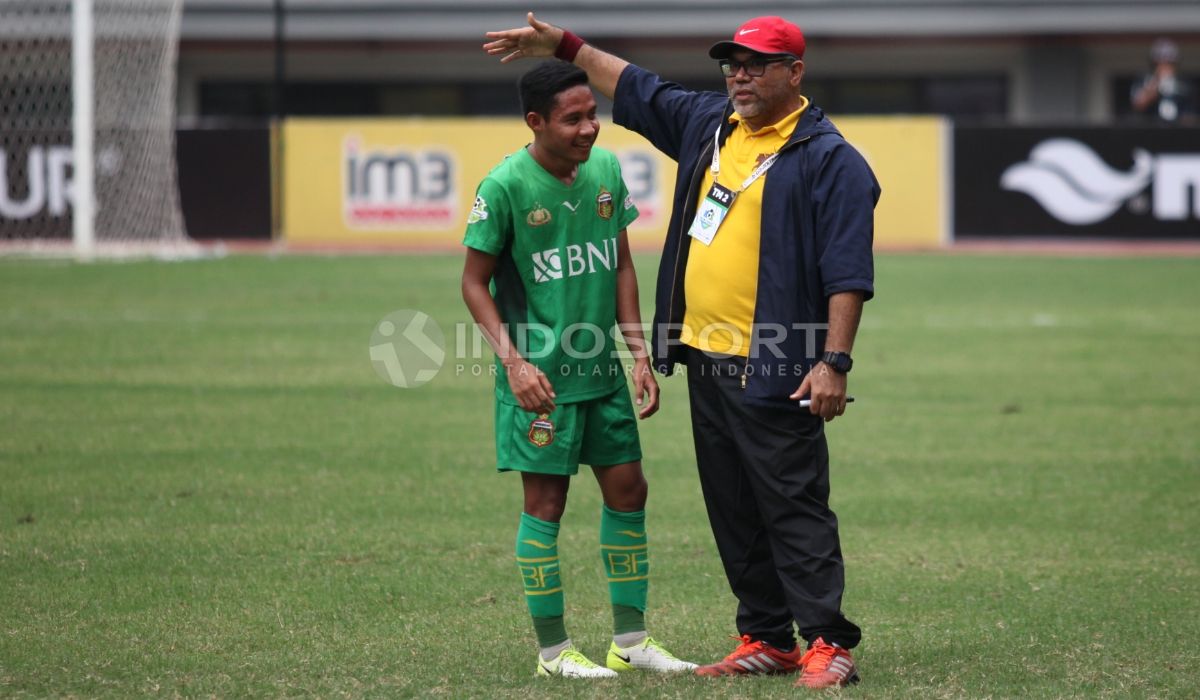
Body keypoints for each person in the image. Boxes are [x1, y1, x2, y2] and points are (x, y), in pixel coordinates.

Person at [484, 14, 879, 690]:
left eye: (756, 63)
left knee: (792, 501)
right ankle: (767, 635)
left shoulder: (828, 157)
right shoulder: (712, 124)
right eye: (733, 63)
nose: (740, 75)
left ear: (795, 73)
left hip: (780, 360)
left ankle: (827, 642)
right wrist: (566, 47)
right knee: (733, 504)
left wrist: (833, 361)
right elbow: (637, 88)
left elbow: (847, 271)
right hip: (704, 356)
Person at [460, 60, 696, 679]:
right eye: (574, 119)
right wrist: (513, 364)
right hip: (539, 382)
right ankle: (553, 653)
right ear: (536, 122)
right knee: (545, 504)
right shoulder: (505, 186)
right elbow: (473, 284)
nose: (591, 128)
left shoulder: (606, 171)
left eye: (593, 113)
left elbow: (620, 266)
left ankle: (632, 641)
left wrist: (638, 352)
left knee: (629, 490)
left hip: (602, 375)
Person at [1131, 38, 1194, 124]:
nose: (1165, 66)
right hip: (1151, 128)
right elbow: (1139, 104)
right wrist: (1157, 82)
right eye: (1160, 63)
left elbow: (1190, 112)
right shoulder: (1145, 80)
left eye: (1169, 63)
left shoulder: (1183, 82)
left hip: (1178, 130)